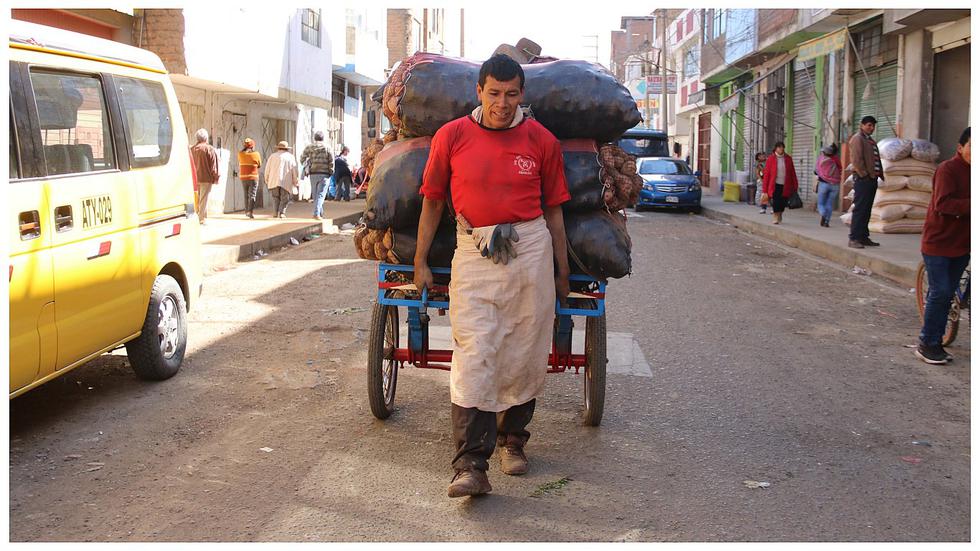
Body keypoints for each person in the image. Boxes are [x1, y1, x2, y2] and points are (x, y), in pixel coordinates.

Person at [414, 54, 571, 498]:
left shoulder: (542, 140)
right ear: (479, 91)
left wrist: (562, 272)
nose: (503, 103)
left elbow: (554, 211)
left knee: (524, 349)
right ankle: (470, 465)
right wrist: (420, 260)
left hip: (530, 250)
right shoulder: (451, 136)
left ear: (523, 95)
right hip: (473, 250)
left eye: (512, 94)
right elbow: (432, 201)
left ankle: (513, 440)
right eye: (495, 93)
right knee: (475, 351)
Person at [914, 127, 970, 365]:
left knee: (946, 291)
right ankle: (927, 343)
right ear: (961, 148)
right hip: (939, 243)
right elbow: (943, 204)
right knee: (942, 292)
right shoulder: (948, 169)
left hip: (963, 243)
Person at [846, 116, 884, 249]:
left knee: (867, 210)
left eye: (873, 126)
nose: (871, 128)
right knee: (860, 209)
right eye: (869, 125)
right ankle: (854, 238)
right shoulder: (858, 139)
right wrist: (864, 175)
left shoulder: (869, 140)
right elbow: (856, 160)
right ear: (862, 125)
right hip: (863, 179)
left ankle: (863, 236)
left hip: (872, 179)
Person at [761, 142, 799, 225]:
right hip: (775, 184)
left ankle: (780, 213)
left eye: (782, 147)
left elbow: (792, 172)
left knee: (783, 202)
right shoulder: (770, 159)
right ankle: (775, 215)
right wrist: (764, 189)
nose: (781, 149)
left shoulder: (788, 159)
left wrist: (795, 185)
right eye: (779, 147)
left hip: (786, 185)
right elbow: (766, 175)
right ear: (776, 148)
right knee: (776, 201)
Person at [301, 131, 334, 220]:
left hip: (313, 173)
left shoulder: (309, 147)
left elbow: (302, 158)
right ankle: (316, 214)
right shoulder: (327, 147)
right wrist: (331, 171)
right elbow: (331, 161)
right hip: (324, 174)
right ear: (323, 138)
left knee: (316, 195)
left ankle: (320, 213)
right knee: (321, 195)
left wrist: (307, 165)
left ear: (314, 138)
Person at [190, 128, 219, 225]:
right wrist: (216, 177)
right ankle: (201, 219)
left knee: (197, 199)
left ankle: (198, 217)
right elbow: (214, 166)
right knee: (203, 199)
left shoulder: (192, 149)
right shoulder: (209, 149)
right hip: (206, 178)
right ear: (206, 138)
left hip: (194, 178)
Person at [264, 141, 299, 218]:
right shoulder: (290, 157)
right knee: (284, 198)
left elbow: (267, 169)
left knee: (275, 197)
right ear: (287, 149)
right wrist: (295, 181)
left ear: (278, 148)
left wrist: (266, 179)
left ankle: (275, 212)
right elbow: (294, 170)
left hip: (274, 180)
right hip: (286, 181)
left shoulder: (272, 156)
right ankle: (282, 212)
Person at [815, 143, 842, 227]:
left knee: (821, 203)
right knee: (829, 204)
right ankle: (826, 222)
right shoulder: (836, 159)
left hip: (823, 184)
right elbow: (840, 169)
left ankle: (823, 214)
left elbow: (816, 171)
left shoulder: (821, 158)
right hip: (835, 185)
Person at [237, 138, 261, 219]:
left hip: (243, 177)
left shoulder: (240, 154)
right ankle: (250, 212)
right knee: (252, 195)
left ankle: (246, 211)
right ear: (252, 146)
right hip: (253, 177)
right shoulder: (256, 154)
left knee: (245, 194)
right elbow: (259, 164)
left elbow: (240, 162)